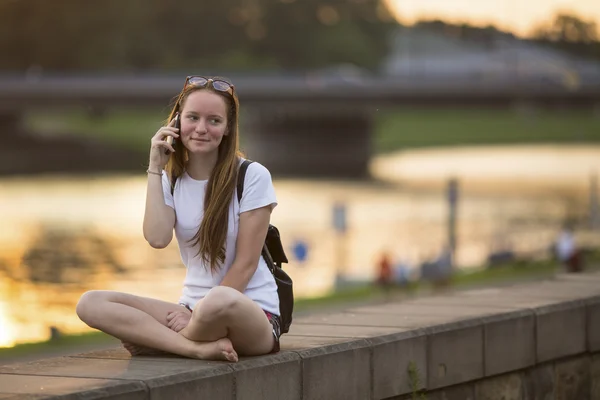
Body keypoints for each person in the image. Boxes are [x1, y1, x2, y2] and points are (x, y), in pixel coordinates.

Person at [76, 76, 281, 362]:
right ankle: (194, 348)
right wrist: (154, 167)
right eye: (192, 118)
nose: (200, 128)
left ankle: (164, 341)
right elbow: (157, 239)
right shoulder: (170, 180)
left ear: (227, 128)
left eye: (214, 121)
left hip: (250, 311)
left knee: (218, 301)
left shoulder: (252, 176)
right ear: (176, 123)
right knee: (91, 303)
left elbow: (245, 265)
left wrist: (195, 315)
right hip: (189, 311)